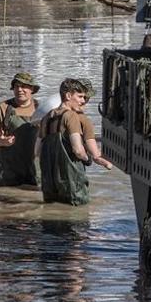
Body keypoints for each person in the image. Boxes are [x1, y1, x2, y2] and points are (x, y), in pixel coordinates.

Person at [37, 78, 112, 206]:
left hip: (49, 183)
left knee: (51, 217)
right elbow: (78, 150)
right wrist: (89, 159)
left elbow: (37, 152)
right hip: (72, 183)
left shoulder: (46, 118)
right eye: (81, 97)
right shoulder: (73, 117)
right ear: (68, 95)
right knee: (78, 217)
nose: (83, 101)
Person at [0, 71, 41, 187]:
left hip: (35, 167)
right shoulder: (3, 108)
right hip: (9, 169)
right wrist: (2, 142)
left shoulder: (40, 109)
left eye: (24, 86)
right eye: (17, 86)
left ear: (32, 89)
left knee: (34, 201)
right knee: (6, 200)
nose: (20, 90)